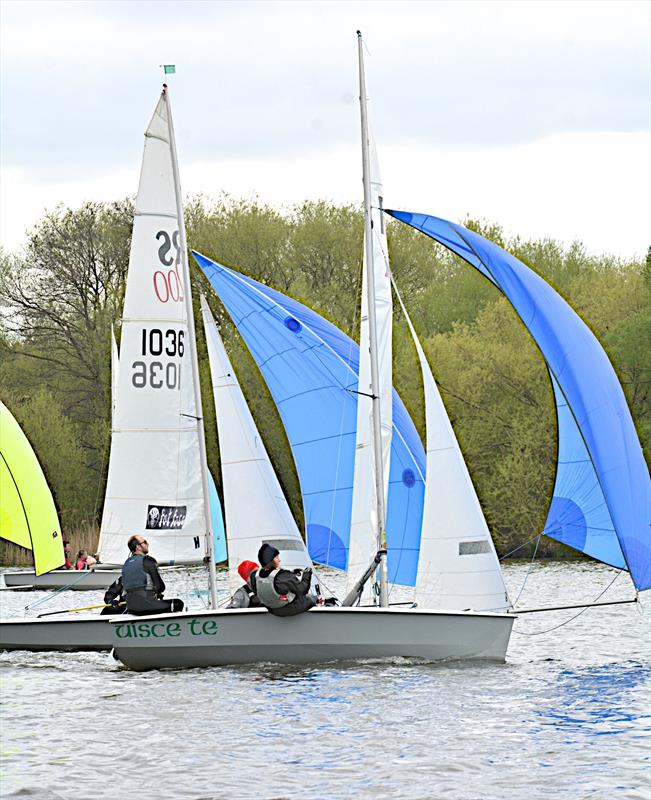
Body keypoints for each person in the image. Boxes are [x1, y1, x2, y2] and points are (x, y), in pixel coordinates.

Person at [121, 535, 184, 616]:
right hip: (146, 606)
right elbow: (160, 587)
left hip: (131, 608)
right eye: (145, 542)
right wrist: (156, 593)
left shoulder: (126, 564)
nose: (148, 544)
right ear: (138, 547)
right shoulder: (148, 561)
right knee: (178, 603)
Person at [255, 543, 317, 617]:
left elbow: (279, 583)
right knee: (311, 598)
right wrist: (306, 574)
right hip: (286, 609)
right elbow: (303, 590)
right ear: (271, 560)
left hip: (271, 609)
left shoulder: (257, 575)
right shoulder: (283, 575)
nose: (279, 560)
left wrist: (292, 574)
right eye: (277, 557)